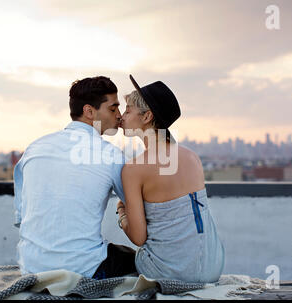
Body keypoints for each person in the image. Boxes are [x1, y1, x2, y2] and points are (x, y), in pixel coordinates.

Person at [13, 76, 136, 279]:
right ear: (89, 111)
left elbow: (22, 218)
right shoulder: (111, 155)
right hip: (84, 270)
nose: (119, 116)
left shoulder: (34, 148)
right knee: (137, 260)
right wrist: (122, 211)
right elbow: (138, 208)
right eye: (113, 109)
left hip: (31, 268)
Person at [117, 74, 225, 283]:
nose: (121, 116)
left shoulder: (134, 169)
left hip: (168, 273)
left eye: (128, 110)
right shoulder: (192, 157)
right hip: (212, 267)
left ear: (147, 117)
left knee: (114, 255)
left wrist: (121, 212)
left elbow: (138, 238)